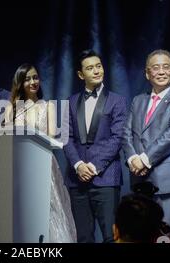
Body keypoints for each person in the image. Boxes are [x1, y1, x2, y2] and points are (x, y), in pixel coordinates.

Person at [122, 49, 170, 242]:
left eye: (166, 67)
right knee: (141, 236)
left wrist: (144, 160)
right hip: (140, 182)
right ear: (147, 73)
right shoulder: (138, 100)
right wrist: (132, 159)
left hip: (168, 181)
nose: (161, 71)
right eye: (156, 67)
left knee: (168, 236)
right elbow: (126, 133)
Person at [4, 63, 77, 242]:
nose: (33, 82)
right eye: (27, 78)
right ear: (20, 82)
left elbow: (51, 135)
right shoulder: (11, 108)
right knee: (21, 211)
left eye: (35, 77)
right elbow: (5, 137)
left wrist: (26, 134)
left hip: (42, 162)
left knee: (47, 209)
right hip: (18, 165)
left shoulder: (48, 106)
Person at [63, 50, 127, 243]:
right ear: (81, 75)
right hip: (77, 179)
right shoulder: (71, 101)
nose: (96, 71)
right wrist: (78, 165)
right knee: (82, 237)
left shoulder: (118, 100)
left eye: (98, 66)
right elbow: (66, 137)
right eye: (90, 68)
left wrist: (94, 166)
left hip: (106, 178)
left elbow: (117, 137)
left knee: (111, 236)